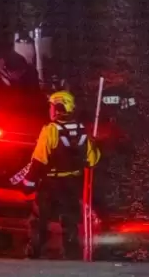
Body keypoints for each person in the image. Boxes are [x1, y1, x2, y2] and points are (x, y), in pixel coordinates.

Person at [10, 90, 101, 259]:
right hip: (73, 184)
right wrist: (93, 144)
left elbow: (39, 160)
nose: (50, 110)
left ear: (59, 107)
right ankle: (72, 255)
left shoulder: (50, 130)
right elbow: (92, 161)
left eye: (52, 106)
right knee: (70, 222)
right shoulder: (83, 131)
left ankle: (36, 252)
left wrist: (28, 184)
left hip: (50, 184)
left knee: (40, 220)